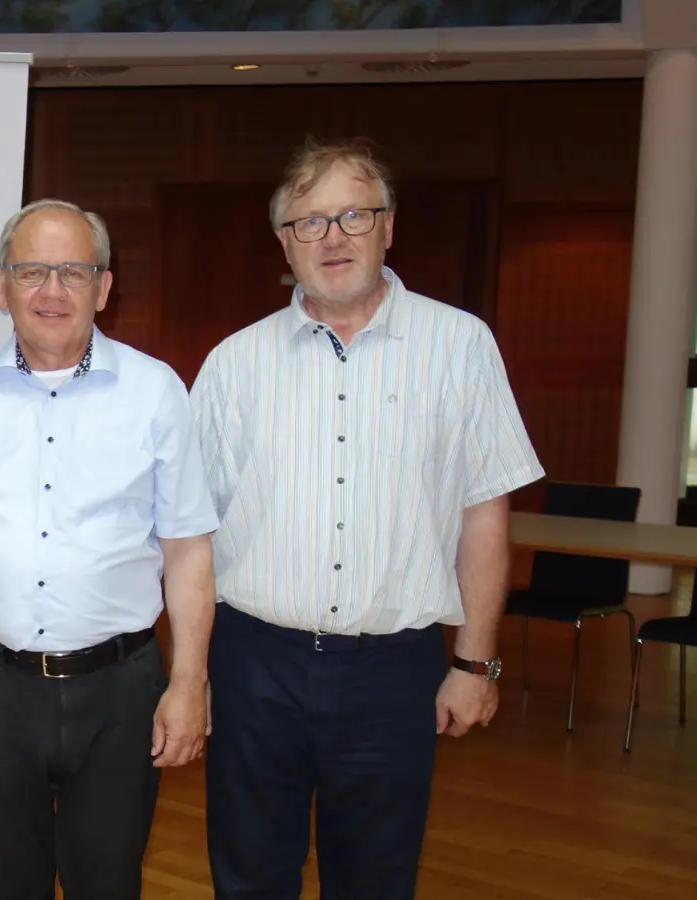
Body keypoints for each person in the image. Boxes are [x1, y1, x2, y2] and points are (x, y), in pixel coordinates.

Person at [189, 137, 545, 899]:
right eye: (310, 222)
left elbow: (486, 511)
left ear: (390, 225)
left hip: (394, 673)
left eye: (354, 215)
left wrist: (475, 663)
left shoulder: (460, 347)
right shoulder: (233, 364)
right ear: (285, 242)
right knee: (247, 875)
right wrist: (193, 672)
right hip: (256, 666)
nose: (334, 237)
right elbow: (192, 534)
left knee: (376, 881)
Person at [0, 198, 221, 900]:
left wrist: (189, 682)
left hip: (120, 688)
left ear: (104, 287)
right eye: (32, 270)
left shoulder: (157, 392)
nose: (52, 290)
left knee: (108, 883)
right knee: (7, 885)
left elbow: (189, 550)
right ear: (0, 286)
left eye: (74, 271)